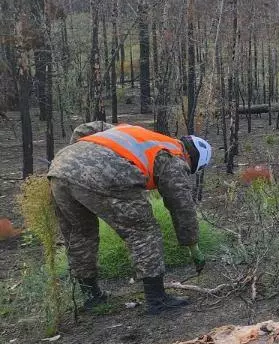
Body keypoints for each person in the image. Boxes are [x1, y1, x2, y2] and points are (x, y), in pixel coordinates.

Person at [47, 123, 212, 314]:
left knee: (81, 233)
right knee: (143, 231)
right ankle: (157, 300)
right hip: (104, 173)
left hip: (59, 169)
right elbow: (182, 205)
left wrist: (76, 161)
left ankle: (91, 297)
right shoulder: (174, 156)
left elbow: (83, 129)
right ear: (193, 159)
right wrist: (193, 246)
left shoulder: (137, 134)